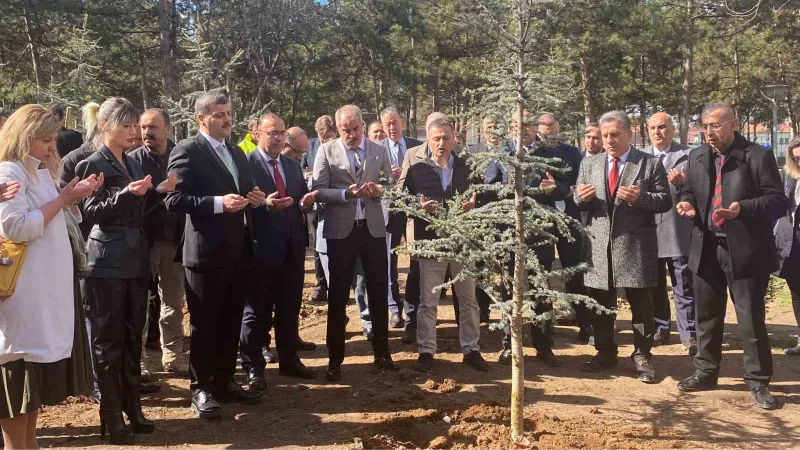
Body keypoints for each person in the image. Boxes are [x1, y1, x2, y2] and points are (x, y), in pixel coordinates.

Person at [76, 97, 176, 444]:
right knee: (108, 343)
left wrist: (156, 192)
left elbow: (138, 209)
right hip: (105, 262)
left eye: (136, 125)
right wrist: (128, 195)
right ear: (106, 127)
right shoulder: (93, 163)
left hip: (135, 259)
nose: (135, 131)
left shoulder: (131, 164)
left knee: (133, 337)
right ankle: (110, 415)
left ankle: (133, 409)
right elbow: (92, 214)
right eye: (128, 125)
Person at [0, 104, 97, 450]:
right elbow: (17, 227)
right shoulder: (10, 171)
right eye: (44, 140)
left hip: (43, 294)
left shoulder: (39, 171)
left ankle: (30, 445)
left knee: (32, 385)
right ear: (24, 137)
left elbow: (49, 218)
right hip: (23, 297)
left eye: (53, 139)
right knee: (16, 380)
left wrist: (70, 197)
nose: (52, 147)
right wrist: (64, 199)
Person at [675, 102, 785, 410]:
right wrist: (686, 204)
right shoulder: (696, 156)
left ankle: (758, 381)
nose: (709, 132)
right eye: (705, 126)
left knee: (750, 320)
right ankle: (706, 372)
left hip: (745, 250)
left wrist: (742, 209)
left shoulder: (757, 155)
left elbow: (777, 201)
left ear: (733, 124)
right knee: (707, 317)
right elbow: (690, 192)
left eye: (715, 125)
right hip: (706, 247)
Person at [165, 91, 264, 419]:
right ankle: (201, 388)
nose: (227, 119)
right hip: (205, 254)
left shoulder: (236, 151)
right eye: (219, 114)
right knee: (205, 324)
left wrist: (255, 197)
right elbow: (174, 200)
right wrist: (219, 204)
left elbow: (244, 189)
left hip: (238, 251)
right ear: (201, 119)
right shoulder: (187, 151)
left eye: (229, 113)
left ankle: (224, 380)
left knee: (231, 320)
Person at [574, 110, 671, 384]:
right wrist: (580, 199)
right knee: (601, 306)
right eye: (605, 136)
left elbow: (664, 201)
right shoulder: (589, 164)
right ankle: (605, 352)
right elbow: (579, 203)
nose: (609, 140)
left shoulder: (649, 164)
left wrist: (642, 197)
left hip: (635, 245)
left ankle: (642, 356)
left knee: (641, 305)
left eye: (615, 135)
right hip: (599, 246)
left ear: (630, 133)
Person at [310, 104, 395, 381]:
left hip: (371, 230)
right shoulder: (326, 150)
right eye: (346, 130)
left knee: (379, 290)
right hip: (340, 232)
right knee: (337, 297)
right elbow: (318, 191)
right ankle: (335, 360)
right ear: (338, 129)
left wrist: (380, 189)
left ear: (363, 124)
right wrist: (346, 194)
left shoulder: (378, 150)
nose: (352, 134)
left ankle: (382, 353)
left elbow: (391, 185)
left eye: (356, 129)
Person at [402, 117, 489, 373]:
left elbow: (483, 200)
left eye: (446, 137)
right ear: (428, 140)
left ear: (455, 139)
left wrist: (474, 207)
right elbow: (404, 201)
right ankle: (427, 351)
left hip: (463, 242)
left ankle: (471, 349)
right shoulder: (416, 169)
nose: (441, 142)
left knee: (468, 300)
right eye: (436, 138)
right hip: (432, 242)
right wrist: (419, 208)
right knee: (428, 301)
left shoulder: (467, 166)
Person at [240, 113, 318, 391]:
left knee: (289, 308)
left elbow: (301, 200)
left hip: (292, 248)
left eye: (281, 133)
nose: (278, 138)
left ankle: (289, 360)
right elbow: (239, 204)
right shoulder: (244, 165)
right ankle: (253, 367)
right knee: (256, 312)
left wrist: (307, 202)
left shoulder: (292, 166)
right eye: (272, 132)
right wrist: (263, 205)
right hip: (259, 249)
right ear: (256, 134)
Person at [495, 110, 571, 367]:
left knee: (540, 289)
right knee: (508, 289)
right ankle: (509, 346)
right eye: (516, 124)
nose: (522, 128)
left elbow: (565, 189)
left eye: (527, 124)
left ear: (534, 127)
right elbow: (487, 189)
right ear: (510, 127)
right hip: (508, 232)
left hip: (539, 233)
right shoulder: (501, 154)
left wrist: (555, 189)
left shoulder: (548, 154)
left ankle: (543, 346)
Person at [129, 109, 188, 375]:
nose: (146, 132)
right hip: (145, 241)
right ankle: (138, 360)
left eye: (152, 126)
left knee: (173, 301)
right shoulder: (133, 161)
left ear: (168, 128)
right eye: (142, 127)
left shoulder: (181, 155)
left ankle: (173, 355)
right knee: (140, 302)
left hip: (176, 240)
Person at [642, 112, 696, 354]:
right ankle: (661, 328)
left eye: (662, 127)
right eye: (652, 128)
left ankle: (689, 334)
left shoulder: (689, 155)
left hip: (677, 231)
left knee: (683, 285)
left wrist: (683, 184)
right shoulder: (640, 157)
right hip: (648, 231)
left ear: (672, 130)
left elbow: (699, 191)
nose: (657, 132)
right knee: (654, 285)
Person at [537, 113, 593, 345]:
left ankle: (585, 323)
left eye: (553, 126)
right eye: (544, 127)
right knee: (542, 271)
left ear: (559, 127)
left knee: (574, 271)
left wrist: (562, 190)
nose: (549, 131)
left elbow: (579, 185)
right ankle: (544, 324)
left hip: (569, 219)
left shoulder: (572, 153)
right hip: (541, 221)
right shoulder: (534, 153)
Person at [381, 107, 424, 328]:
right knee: (390, 261)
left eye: (394, 123)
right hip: (388, 210)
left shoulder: (417, 146)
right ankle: (393, 307)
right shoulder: (376, 149)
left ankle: (414, 309)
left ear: (402, 123)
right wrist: (389, 176)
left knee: (416, 259)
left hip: (414, 211)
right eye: (387, 124)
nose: (391, 128)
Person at [302, 115, 337, 304]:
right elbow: (300, 168)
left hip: (334, 201)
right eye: (323, 137)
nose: (326, 141)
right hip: (314, 204)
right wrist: (306, 174)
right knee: (317, 245)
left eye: (330, 137)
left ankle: (338, 284)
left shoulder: (338, 147)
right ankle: (321, 284)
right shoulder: (310, 146)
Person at [775, 137, 800, 355]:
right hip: (792, 241)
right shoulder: (787, 176)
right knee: (797, 292)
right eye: (795, 158)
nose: (799, 162)